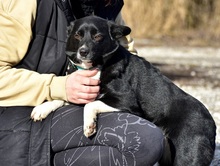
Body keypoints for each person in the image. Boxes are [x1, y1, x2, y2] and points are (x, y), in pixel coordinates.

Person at [0, 0, 165, 165]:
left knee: (154, 139)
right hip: (17, 119)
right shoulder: (23, 3)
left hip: (65, 113)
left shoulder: (107, 5)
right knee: (144, 139)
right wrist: (56, 87)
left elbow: (130, 67)